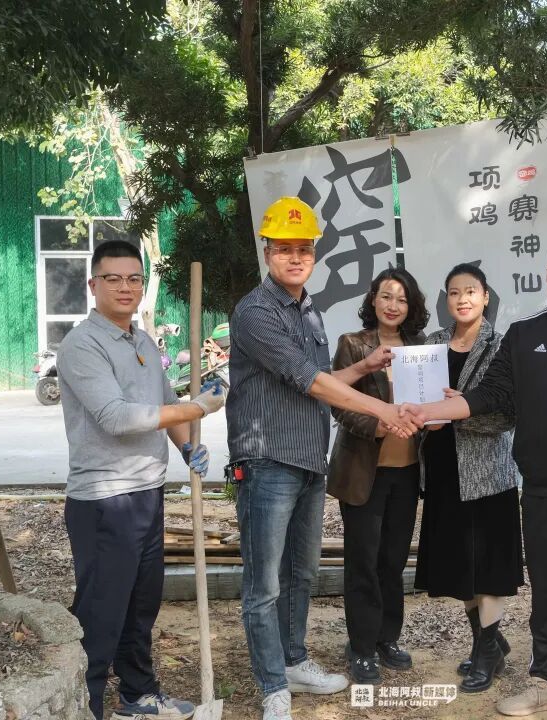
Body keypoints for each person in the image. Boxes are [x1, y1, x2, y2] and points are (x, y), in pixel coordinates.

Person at [402, 234, 547, 720]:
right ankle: (544, 680)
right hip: (541, 488)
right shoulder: (524, 332)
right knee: (546, 590)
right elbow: (490, 394)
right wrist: (429, 410)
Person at [226, 197, 421, 720]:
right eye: (284, 248)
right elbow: (307, 379)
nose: (295, 258)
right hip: (267, 461)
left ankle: (293, 661)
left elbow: (325, 380)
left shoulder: (308, 311)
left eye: (304, 249)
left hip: (309, 462)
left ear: (314, 254)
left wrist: (364, 367)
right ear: (267, 252)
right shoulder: (255, 312)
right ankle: (273, 686)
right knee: (264, 584)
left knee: (302, 574)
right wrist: (383, 408)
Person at [58, 240, 227, 720]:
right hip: (105, 501)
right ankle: (85, 705)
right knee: (101, 612)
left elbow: (164, 403)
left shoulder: (143, 342)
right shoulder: (82, 345)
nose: (125, 287)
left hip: (148, 493)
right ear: (93, 285)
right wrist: (197, 408)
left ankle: (138, 694)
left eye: (134, 278)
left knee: (140, 607)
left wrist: (188, 445)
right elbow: (117, 417)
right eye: (112, 278)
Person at [414, 263, 524, 694]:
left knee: (489, 566)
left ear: (485, 297)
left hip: (487, 473)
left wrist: (457, 413)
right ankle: (487, 644)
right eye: (455, 292)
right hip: (442, 469)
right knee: (460, 564)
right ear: (447, 299)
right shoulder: (431, 344)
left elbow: (507, 416)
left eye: (471, 291)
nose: (463, 299)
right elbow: (416, 401)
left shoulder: (501, 346)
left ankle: (486, 650)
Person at [327, 267, 429, 683]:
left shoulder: (420, 348)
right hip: (363, 472)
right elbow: (338, 402)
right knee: (363, 562)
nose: (393, 305)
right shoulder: (353, 344)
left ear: (411, 306)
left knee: (393, 561)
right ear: (373, 300)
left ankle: (387, 638)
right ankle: (362, 646)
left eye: (402, 299)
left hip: (406, 472)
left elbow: (427, 404)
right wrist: (378, 425)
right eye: (386, 296)